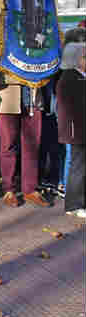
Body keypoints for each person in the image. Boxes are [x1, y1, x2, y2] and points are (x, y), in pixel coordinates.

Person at [0, 35, 51, 208]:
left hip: (33, 97)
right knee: (8, 146)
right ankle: (9, 189)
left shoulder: (36, 36)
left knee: (32, 146)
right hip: (8, 98)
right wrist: (20, 74)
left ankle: (30, 189)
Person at [56, 42, 85, 218]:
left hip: (79, 128)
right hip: (77, 130)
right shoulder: (70, 78)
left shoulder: (77, 76)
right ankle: (74, 205)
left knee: (80, 167)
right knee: (78, 167)